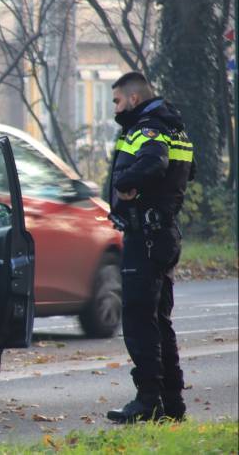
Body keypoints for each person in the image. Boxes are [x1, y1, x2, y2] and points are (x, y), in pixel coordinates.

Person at [105, 71, 195, 423]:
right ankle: (172, 402)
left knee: (140, 320)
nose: (115, 108)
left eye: (117, 101)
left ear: (134, 98)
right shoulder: (178, 128)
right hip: (166, 232)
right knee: (160, 320)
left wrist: (126, 184)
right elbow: (191, 172)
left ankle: (148, 401)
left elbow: (154, 162)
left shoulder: (149, 128)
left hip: (146, 234)